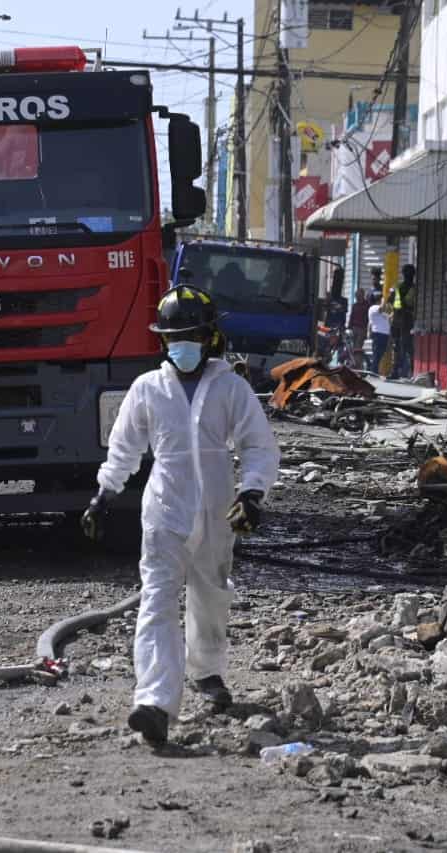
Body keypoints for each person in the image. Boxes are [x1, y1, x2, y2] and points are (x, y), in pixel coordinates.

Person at [81, 285, 280, 746]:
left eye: (189, 335)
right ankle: (153, 701)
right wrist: (104, 494)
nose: (181, 345)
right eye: (173, 337)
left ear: (210, 337)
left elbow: (257, 445)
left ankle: (206, 673)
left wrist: (252, 494)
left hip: (217, 509)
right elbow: (124, 447)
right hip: (165, 508)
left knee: (211, 593)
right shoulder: (147, 389)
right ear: (162, 341)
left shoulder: (231, 387)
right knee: (156, 600)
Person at [391, 264, 417, 380]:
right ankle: (409, 371)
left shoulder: (398, 287)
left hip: (398, 321)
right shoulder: (414, 288)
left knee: (398, 347)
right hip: (407, 321)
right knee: (408, 348)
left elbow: (392, 303)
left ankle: (396, 371)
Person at [367, 290, 392, 376]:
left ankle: (374, 370)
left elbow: (388, 317)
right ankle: (373, 371)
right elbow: (381, 308)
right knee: (377, 353)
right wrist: (384, 298)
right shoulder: (373, 308)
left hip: (383, 334)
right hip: (378, 333)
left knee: (380, 353)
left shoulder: (380, 311)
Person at [348, 287, 369, 358]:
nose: (357, 297)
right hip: (354, 328)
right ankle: (354, 362)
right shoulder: (355, 305)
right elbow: (351, 316)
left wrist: (367, 329)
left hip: (362, 329)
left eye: (359, 296)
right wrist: (349, 327)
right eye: (356, 296)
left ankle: (357, 363)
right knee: (353, 346)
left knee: (358, 347)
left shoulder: (367, 305)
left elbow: (368, 318)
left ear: (362, 295)